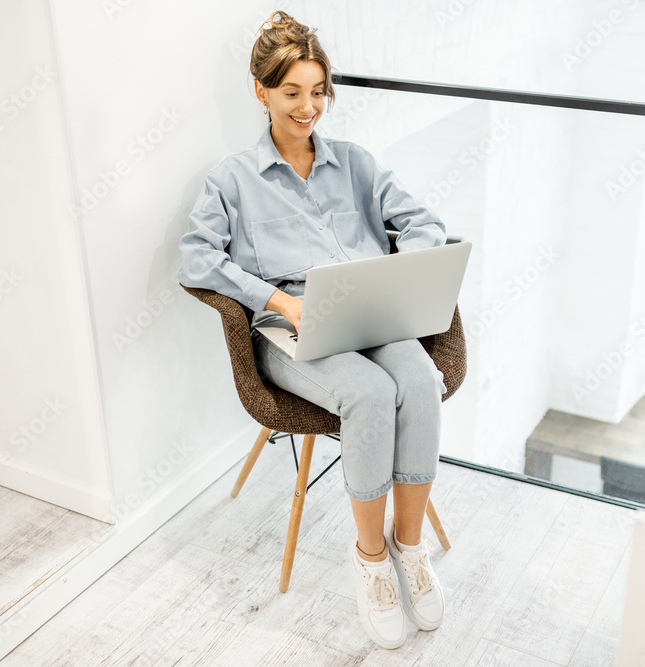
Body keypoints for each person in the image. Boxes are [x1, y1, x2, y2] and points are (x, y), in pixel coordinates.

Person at [177, 10, 449, 650]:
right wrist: (275, 297)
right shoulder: (233, 179)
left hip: (370, 308)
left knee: (421, 377)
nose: (308, 107)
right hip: (290, 329)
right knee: (369, 393)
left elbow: (425, 224)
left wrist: (399, 270)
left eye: (318, 91)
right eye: (292, 92)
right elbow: (197, 259)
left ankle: (407, 549)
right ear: (262, 91)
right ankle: (371, 560)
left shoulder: (356, 163)